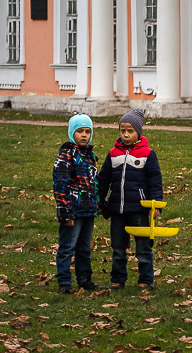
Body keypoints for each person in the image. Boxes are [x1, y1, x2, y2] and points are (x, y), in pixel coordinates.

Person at [97, 109, 163, 293]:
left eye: (130, 131)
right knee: (118, 247)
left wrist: (155, 204)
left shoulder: (147, 154)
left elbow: (155, 180)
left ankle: (146, 279)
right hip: (117, 208)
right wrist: (100, 201)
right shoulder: (113, 154)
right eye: (122, 130)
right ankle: (118, 279)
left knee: (143, 247)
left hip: (139, 209)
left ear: (138, 132)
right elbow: (103, 180)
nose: (125, 134)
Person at [52, 113, 99, 295]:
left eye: (87, 131)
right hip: (72, 211)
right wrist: (65, 212)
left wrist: (98, 203)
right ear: (72, 133)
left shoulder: (89, 155)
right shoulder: (66, 155)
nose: (84, 135)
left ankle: (84, 279)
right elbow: (60, 184)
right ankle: (64, 282)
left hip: (88, 209)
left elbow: (95, 183)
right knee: (67, 247)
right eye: (80, 131)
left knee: (84, 248)